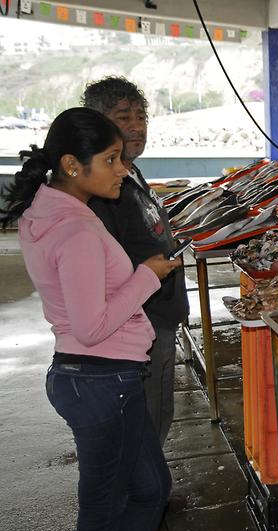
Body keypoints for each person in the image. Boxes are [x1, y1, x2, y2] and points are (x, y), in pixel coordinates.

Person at [1, 107, 180, 531]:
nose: (122, 169)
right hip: (101, 381)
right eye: (111, 159)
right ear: (73, 165)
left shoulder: (47, 210)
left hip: (102, 377)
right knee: (105, 503)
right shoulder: (77, 229)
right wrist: (148, 275)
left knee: (150, 489)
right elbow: (92, 324)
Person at [83, 76, 189, 447]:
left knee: (158, 408)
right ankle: (144, 496)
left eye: (141, 116)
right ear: (97, 124)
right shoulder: (101, 187)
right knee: (146, 413)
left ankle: (146, 486)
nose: (136, 126)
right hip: (141, 318)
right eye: (123, 116)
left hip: (158, 312)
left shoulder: (131, 171)